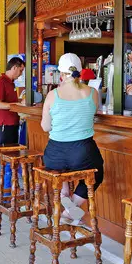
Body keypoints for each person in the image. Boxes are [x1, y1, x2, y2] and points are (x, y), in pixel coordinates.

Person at [41, 53, 103, 225]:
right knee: (97, 173)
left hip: (54, 156)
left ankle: (66, 199)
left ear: (61, 74)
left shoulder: (53, 95)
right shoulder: (92, 93)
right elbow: (92, 114)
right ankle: (70, 210)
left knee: (61, 172)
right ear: (81, 71)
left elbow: (45, 127)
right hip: (82, 153)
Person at [0, 57, 25, 145]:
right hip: (5, 123)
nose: (21, 74)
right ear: (14, 67)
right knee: (6, 150)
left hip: (13, 122)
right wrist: (18, 104)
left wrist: (21, 101)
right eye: (21, 70)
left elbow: (10, 100)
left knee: (13, 150)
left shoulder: (11, 83)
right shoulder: (0, 82)